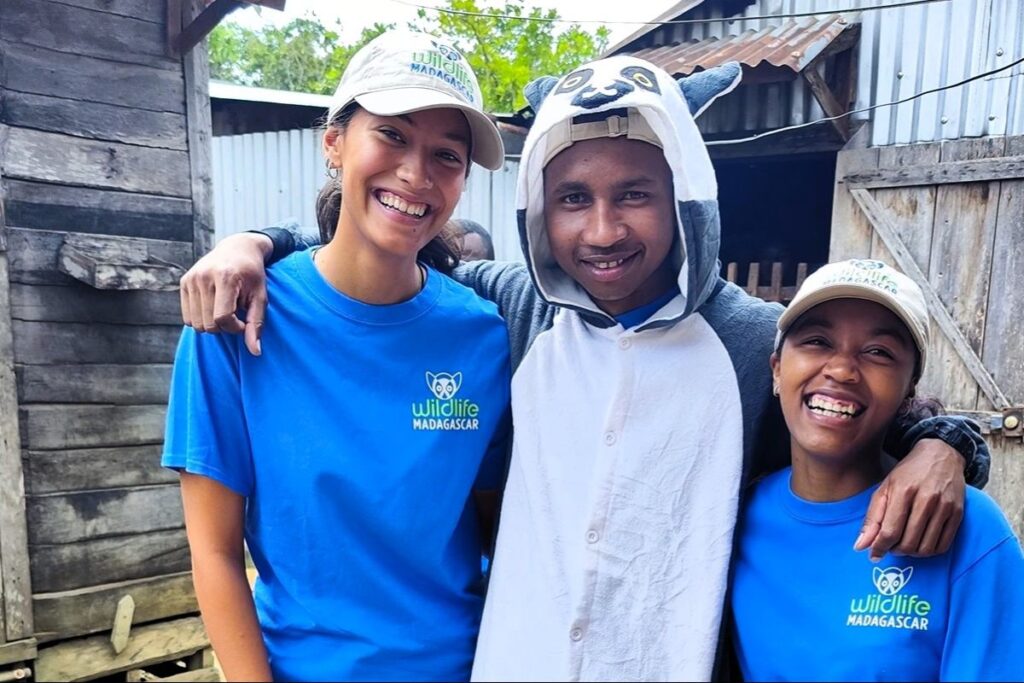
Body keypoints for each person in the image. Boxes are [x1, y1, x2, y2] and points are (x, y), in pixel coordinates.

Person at [177, 57, 989, 680]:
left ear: (684, 196)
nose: (602, 230)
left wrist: (949, 441)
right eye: (571, 199)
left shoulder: (750, 341)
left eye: (634, 193)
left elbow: (843, 386)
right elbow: (384, 238)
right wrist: (254, 240)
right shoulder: (521, 312)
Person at [163, 30, 511, 682]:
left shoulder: (485, 338)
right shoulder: (233, 319)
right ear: (334, 142)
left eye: (446, 155)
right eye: (393, 135)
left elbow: (495, 533)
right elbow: (213, 550)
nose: (416, 173)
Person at [731, 259, 1024, 681]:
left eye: (878, 352)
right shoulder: (733, 516)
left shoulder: (968, 529)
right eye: (817, 341)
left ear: (909, 389)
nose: (842, 370)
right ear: (777, 369)